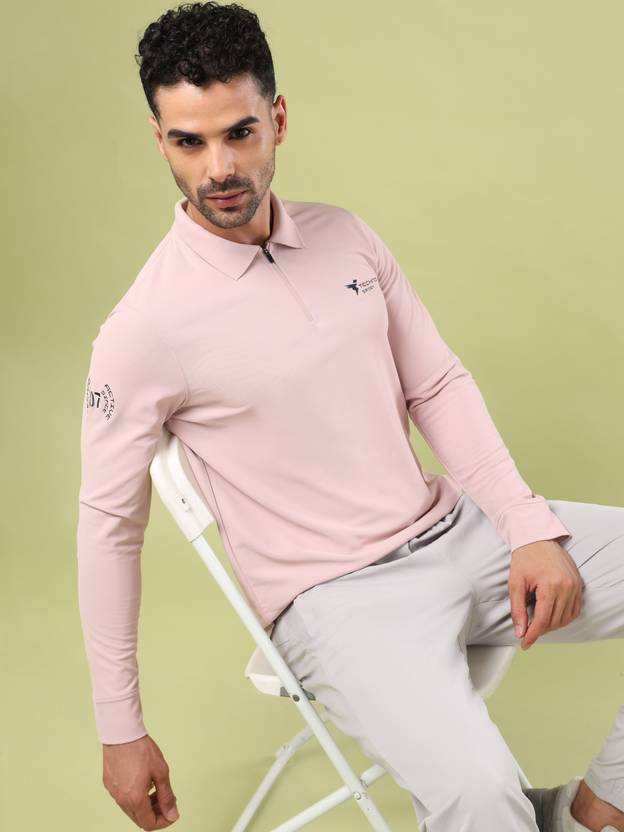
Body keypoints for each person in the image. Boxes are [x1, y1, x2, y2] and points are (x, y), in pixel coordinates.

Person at [75, 2, 624, 830]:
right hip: (336, 601)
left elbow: (435, 385)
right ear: (160, 140)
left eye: (239, 132)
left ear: (277, 119)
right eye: (189, 142)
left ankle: (592, 813)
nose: (219, 167)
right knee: (480, 795)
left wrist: (526, 525)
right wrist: (121, 728)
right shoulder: (142, 329)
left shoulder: (347, 238)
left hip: (455, 531)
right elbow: (109, 526)